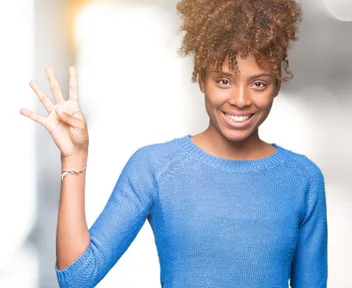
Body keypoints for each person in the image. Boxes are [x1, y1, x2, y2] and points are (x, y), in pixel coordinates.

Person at [20, 0, 328, 286]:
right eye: (223, 80)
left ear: (276, 85)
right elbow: (77, 277)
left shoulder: (303, 179)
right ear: (201, 79)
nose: (240, 100)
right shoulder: (155, 168)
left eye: (258, 83)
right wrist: (74, 157)